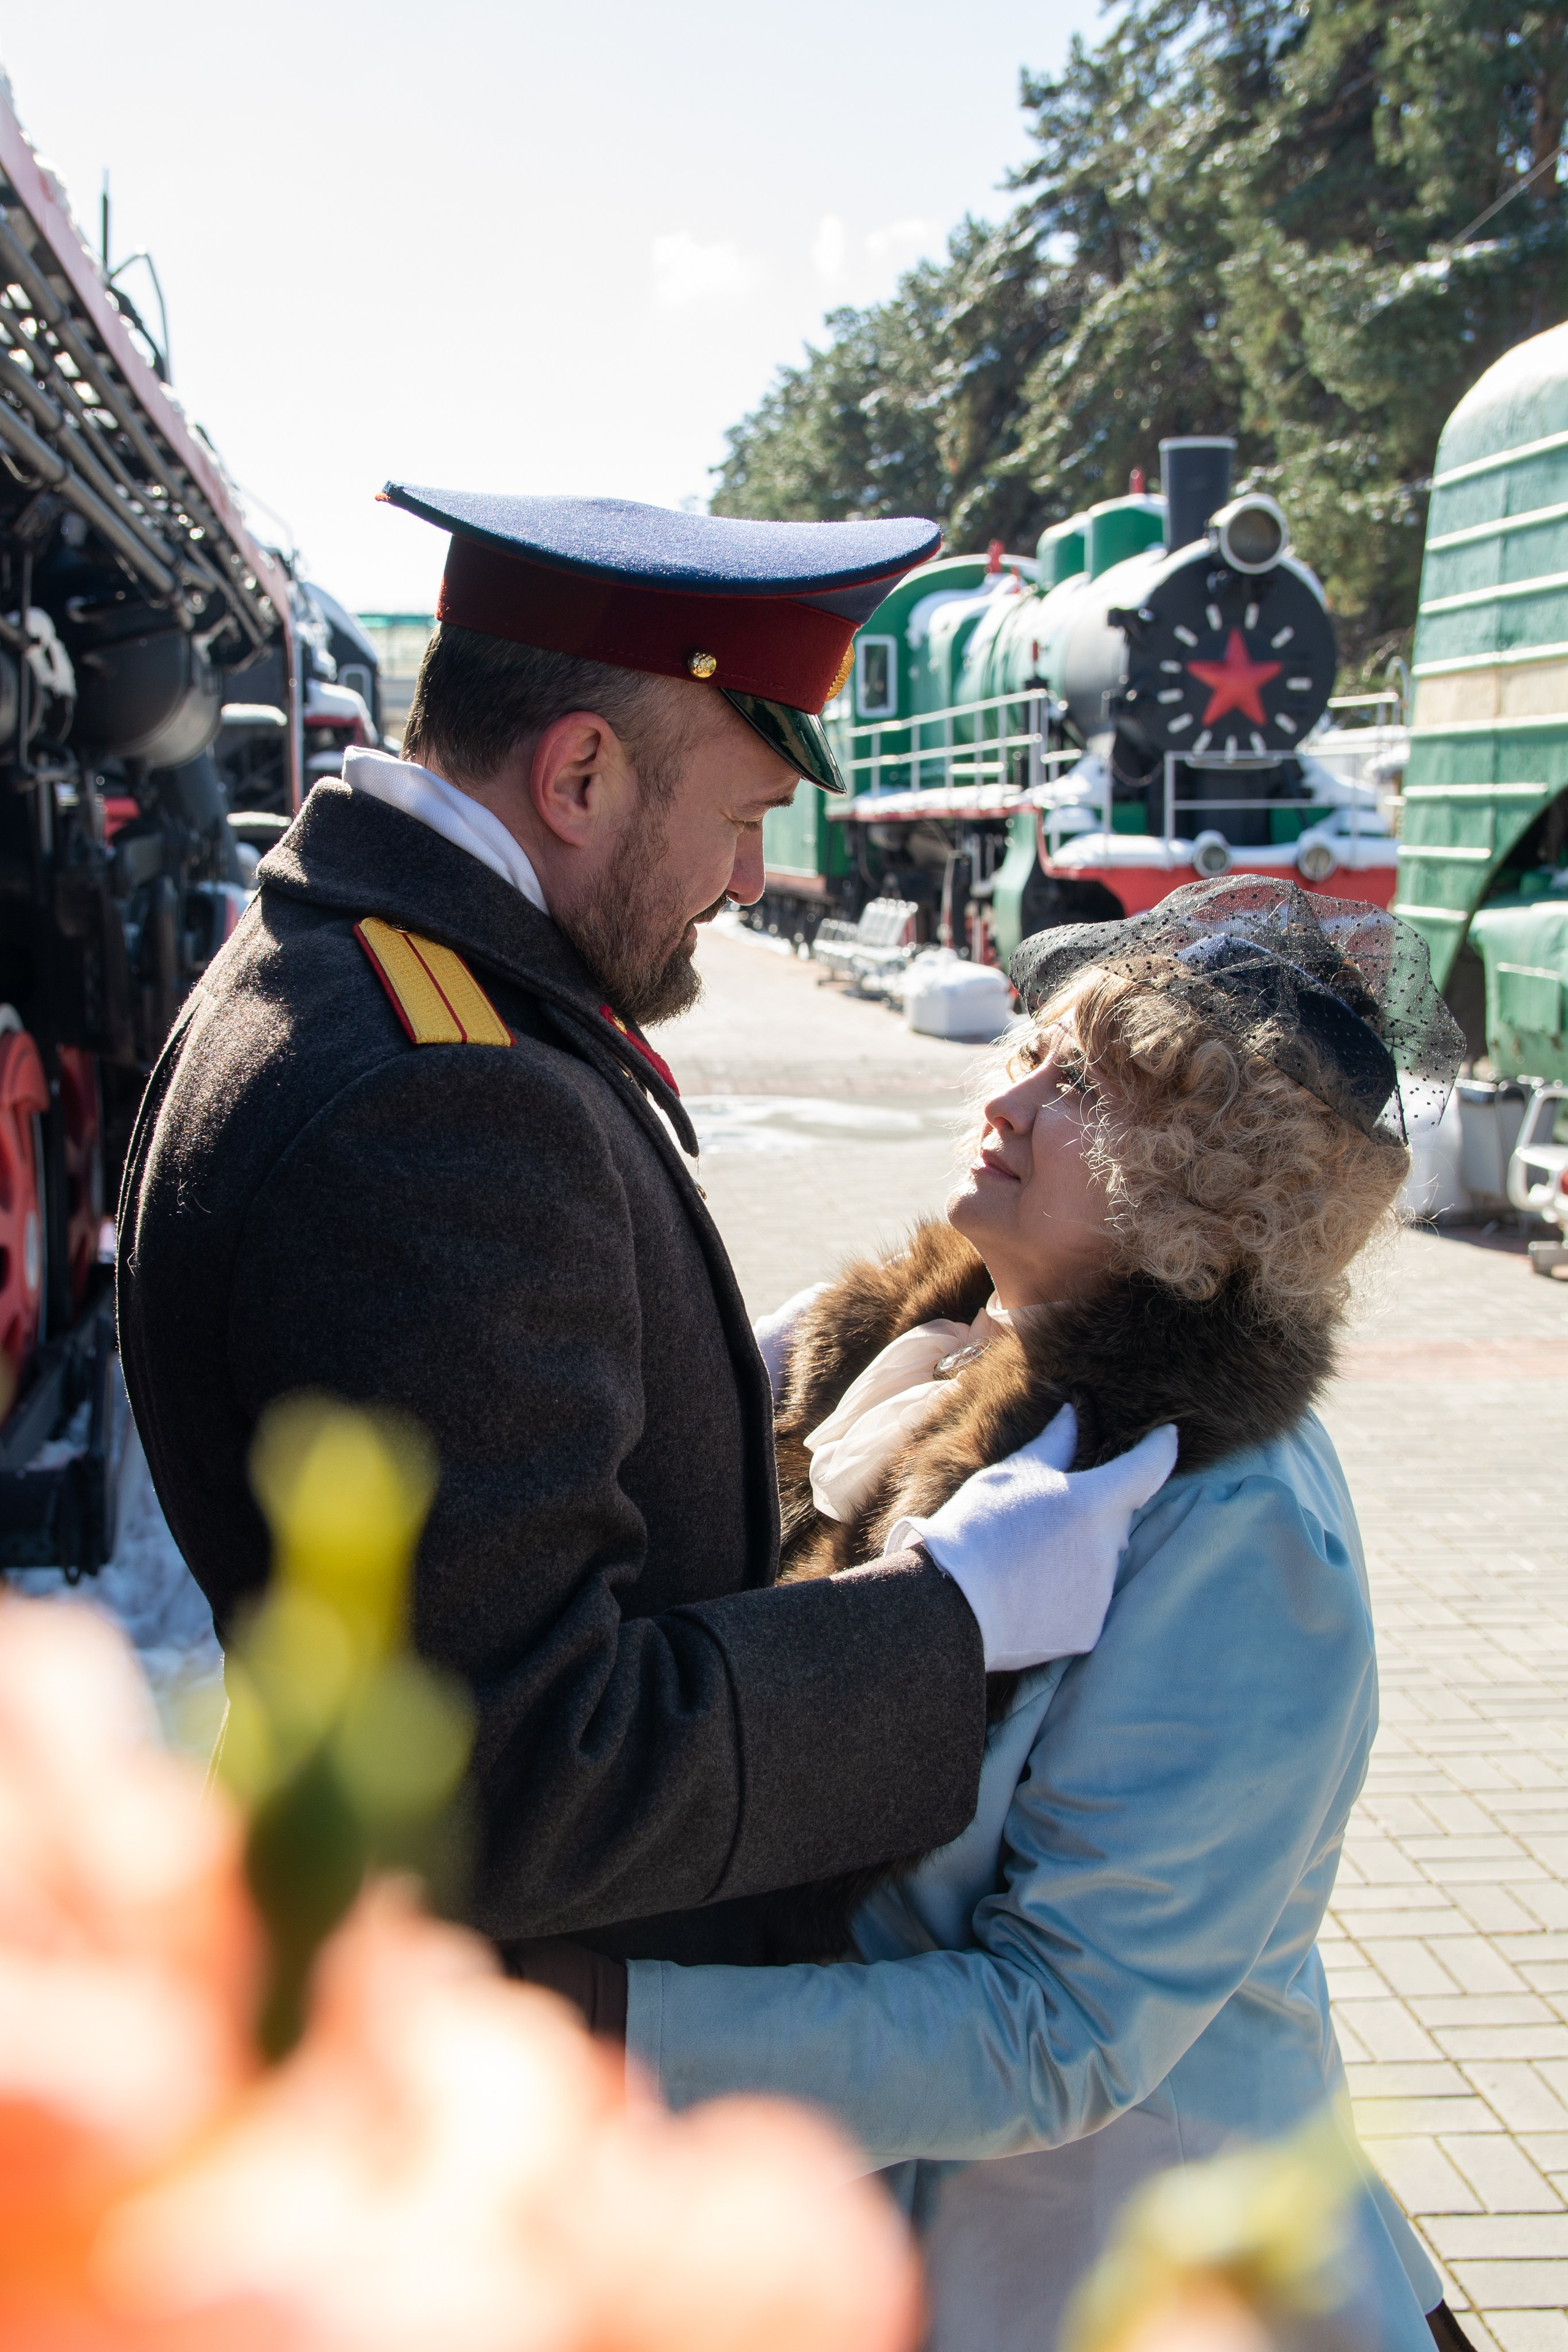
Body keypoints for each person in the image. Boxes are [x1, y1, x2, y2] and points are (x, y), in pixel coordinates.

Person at [115, 488, 1174, 1994]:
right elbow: (516, 1779)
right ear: (582, 773)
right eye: (740, 820)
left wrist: (688, 1389)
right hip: (492, 2068)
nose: (749, 882)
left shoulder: (344, 965)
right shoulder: (448, 1099)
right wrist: (945, 1626)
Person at [617, 877, 1469, 2352]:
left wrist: (607, 2025)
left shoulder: (1232, 1519)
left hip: (1127, 2281)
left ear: (1205, 1185)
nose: (1008, 1096)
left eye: (1085, 1088)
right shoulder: (916, 1355)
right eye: (1031, 1050)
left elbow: (1066, 2029)